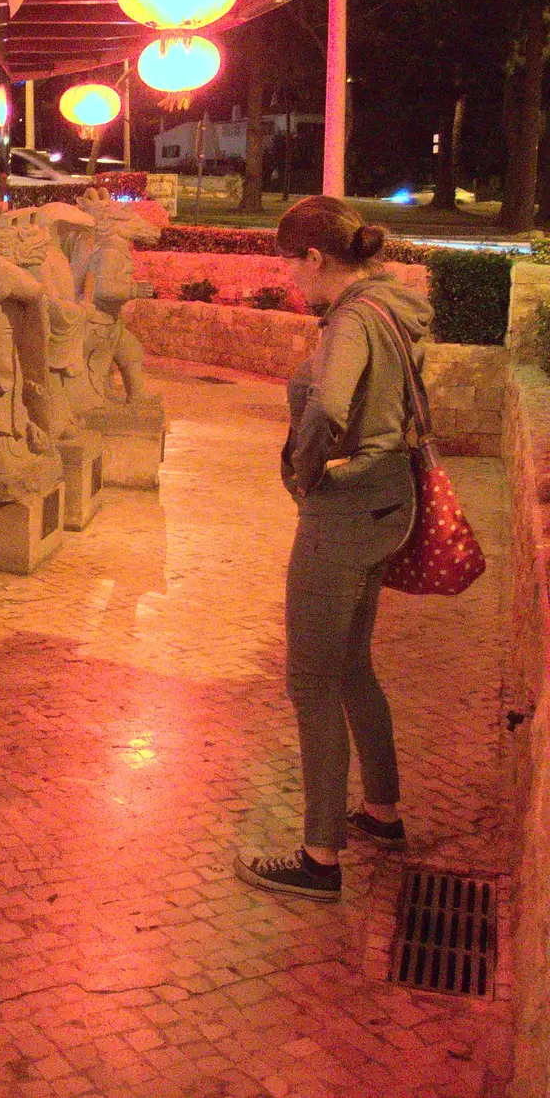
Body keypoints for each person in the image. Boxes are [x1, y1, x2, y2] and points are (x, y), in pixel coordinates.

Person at [234, 196, 431, 902]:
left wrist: (301, 473)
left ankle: (319, 856)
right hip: (390, 500)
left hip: (346, 511)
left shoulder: (349, 319)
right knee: (352, 664)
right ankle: (382, 811)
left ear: (315, 258)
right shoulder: (389, 303)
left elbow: (330, 407)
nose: (289, 279)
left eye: (289, 263)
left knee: (312, 679)